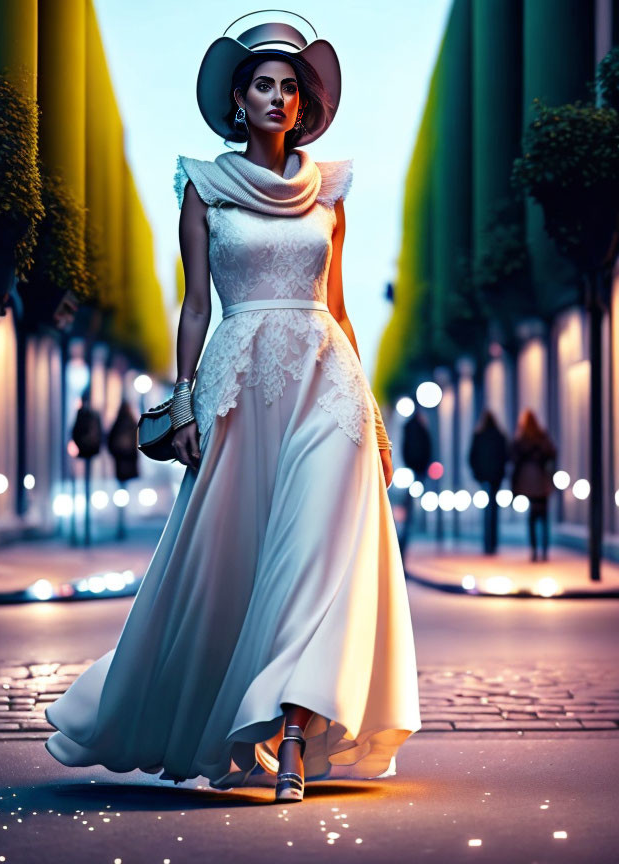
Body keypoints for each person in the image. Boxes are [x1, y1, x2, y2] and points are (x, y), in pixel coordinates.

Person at [44, 12, 421, 804]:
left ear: (303, 103)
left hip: (329, 386)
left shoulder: (332, 191)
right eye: (263, 85)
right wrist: (182, 402)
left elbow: (342, 308)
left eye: (290, 87)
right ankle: (218, 714)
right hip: (239, 390)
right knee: (236, 561)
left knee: (314, 562)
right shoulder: (203, 186)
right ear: (238, 100)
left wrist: (377, 423)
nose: (277, 97)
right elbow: (193, 309)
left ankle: (288, 738)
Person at [508, 409, 557, 562]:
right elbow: (552, 453)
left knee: (532, 516)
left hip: (527, 480)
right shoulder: (541, 437)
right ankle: (544, 550)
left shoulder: (521, 438)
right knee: (543, 515)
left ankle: (534, 550)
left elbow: (513, 459)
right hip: (541, 480)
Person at [469, 409, 508, 554]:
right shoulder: (499, 436)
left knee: (486, 509)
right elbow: (506, 455)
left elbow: (472, 456)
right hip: (496, 476)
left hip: (484, 477)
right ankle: (493, 543)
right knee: (494, 509)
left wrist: (477, 474)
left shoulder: (478, 436)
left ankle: (487, 543)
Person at [398, 409, 432, 556]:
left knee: (407, 508)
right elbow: (429, 449)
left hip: (409, 472)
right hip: (418, 473)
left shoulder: (407, 428)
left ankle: (403, 541)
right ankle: (409, 531)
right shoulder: (423, 429)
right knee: (410, 509)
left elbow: (403, 448)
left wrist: (407, 464)